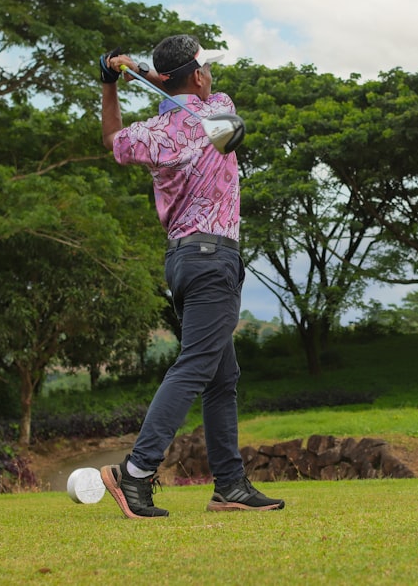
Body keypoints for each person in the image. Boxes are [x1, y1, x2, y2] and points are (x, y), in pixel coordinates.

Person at [97, 35, 284, 518]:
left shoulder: (154, 135)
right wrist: (144, 71)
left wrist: (110, 83)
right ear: (197, 76)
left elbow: (112, 140)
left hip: (182, 260)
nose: (210, 77)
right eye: (205, 69)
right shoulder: (217, 109)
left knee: (222, 377)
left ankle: (230, 486)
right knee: (197, 365)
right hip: (213, 259)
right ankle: (135, 473)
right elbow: (191, 97)